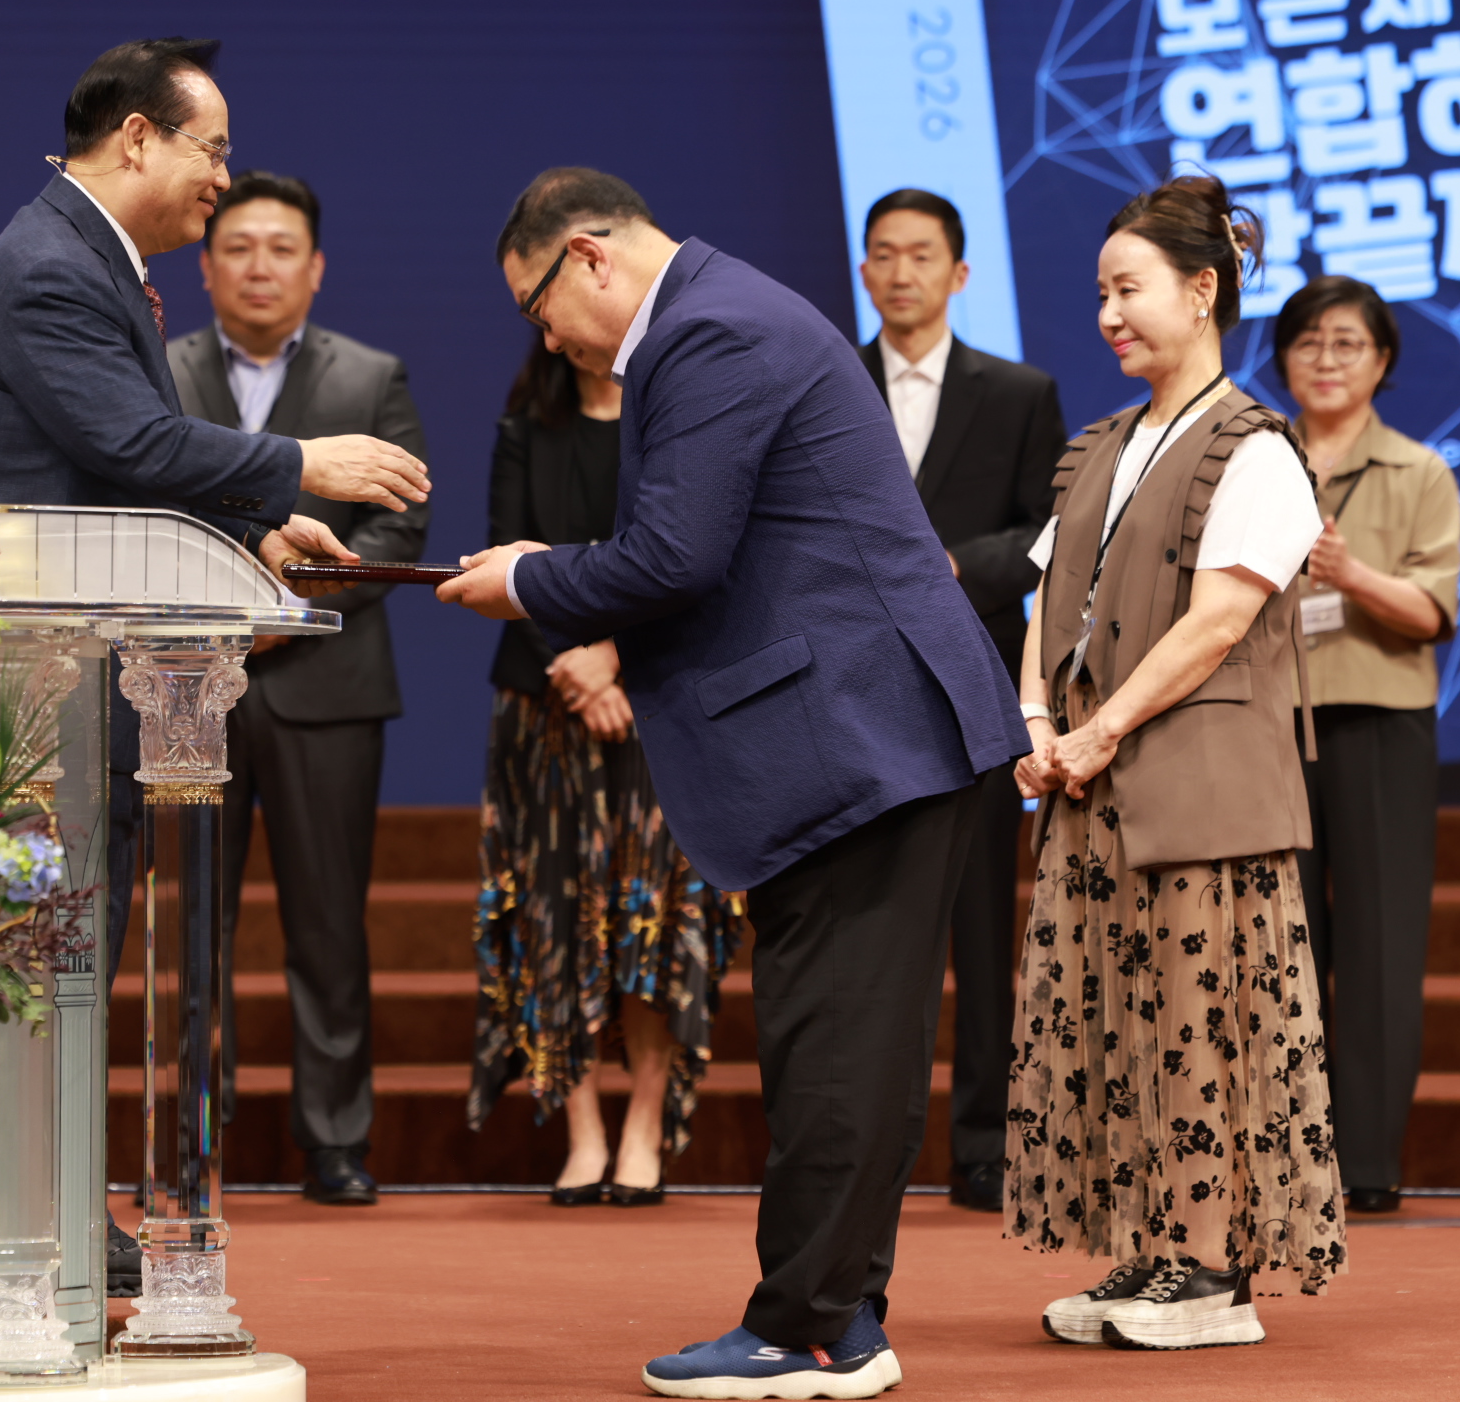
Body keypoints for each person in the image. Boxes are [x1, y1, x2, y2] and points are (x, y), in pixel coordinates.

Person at [438, 168, 1024, 1400]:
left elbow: (674, 555)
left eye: (538, 306)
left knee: (838, 1043)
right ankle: (841, 1316)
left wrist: (530, 579)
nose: (547, 337)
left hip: (863, 735)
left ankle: (806, 1327)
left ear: (588, 255)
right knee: (849, 1040)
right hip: (860, 734)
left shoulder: (708, 331)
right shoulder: (718, 312)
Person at [0, 37, 430, 1293]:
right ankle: (24, 1216)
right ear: (137, 138)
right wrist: (302, 464)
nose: (224, 178)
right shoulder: (51, 267)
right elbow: (131, 442)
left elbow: (107, 468)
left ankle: (53, 1207)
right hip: (38, 676)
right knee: (45, 955)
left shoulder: (83, 253)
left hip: (79, 670)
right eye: (213, 150)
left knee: (68, 956)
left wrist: (259, 531)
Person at [1008, 174, 1342, 1351]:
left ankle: (1213, 1271)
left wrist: (1099, 731)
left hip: (1202, 791)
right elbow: (1050, 601)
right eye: (1100, 292)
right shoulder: (1100, 445)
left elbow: (1217, 622)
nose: (1109, 313)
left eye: (1130, 288)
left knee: (1207, 1017)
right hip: (1093, 791)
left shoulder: (1256, 448)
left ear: (1203, 292)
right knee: (1118, 1019)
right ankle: (1152, 1247)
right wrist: (1035, 719)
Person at [163, 171, 430, 1207]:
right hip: (191, 687)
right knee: (196, 927)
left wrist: (290, 607)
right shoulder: (162, 372)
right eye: (238, 247)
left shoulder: (372, 376)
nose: (260, 267)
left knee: (329, 924)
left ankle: (336, 1141)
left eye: (282, 249)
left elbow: (401, 523)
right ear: (206, 266)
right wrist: (238, 602)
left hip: (329, 681)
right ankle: (194, 1139)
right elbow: (144, 499)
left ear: (315, 269)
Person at [467, 336, 742, 1210]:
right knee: (554, 918)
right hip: (543, 708)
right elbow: (501, 575)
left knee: (652, 920)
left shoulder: (676, 427)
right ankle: (581, 1127)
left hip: (662, 704)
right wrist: (578, 669)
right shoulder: (525, 429)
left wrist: (616, 658)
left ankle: (643, 1126)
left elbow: (701, 567)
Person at [855, 187, 1065, 1214]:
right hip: (850, 689)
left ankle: (984, 1144)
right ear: (864, 271)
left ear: (960, 272)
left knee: (984, 926)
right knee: (863, 929)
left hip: (976, 679)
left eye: (923, 254)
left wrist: (954, 565)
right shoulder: (828, 384)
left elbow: (1049, 532)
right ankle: (861, 1148)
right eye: (885, 254)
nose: (903, 273)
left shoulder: (1018, 392)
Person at [1277, 276, 1460, 1216]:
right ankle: (1288, 1156)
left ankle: (1370, 1163)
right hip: (1273, 724)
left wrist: (1351, 575)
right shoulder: (1253, 462)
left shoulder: (1419, 470)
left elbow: (1432, 612)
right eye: (1308, 342)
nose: (1327, 360)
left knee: (1382, 945)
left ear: (1382, 361)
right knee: (1284, 946)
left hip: (1382, 721)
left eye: (1347, 343)